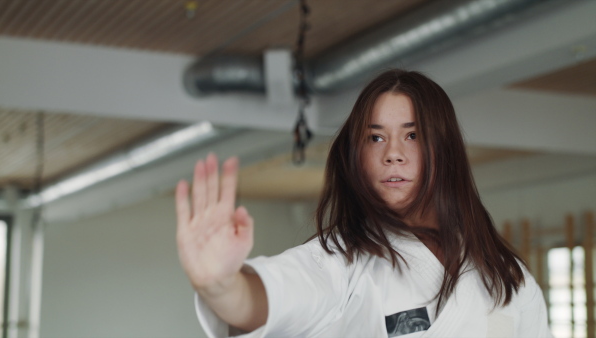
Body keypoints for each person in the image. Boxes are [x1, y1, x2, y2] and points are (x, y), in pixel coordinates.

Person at [175, 69, 553, 337]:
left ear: (444, 147)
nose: (393, 154)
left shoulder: (507, 277)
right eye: (375, 138)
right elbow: (268, 298)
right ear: (357, 154)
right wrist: (222, 286)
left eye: (413, 135)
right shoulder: (342, 263)